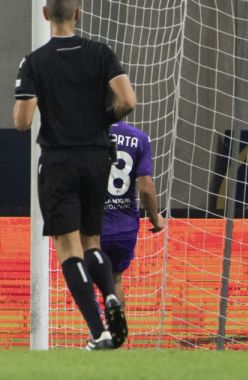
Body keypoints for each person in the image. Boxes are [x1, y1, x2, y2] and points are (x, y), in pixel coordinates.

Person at [13, 0, 136, 350]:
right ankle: (111, 295)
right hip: (97, 158)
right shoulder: (101, 53)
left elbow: (22, 122)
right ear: (78, 13)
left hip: (59, 162)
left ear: (45, 14)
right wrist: (99, 119)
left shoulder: (35, 62)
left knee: (68, 250)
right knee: (91, 242)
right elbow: (128, 101)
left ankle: (99, 332)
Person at [102, 121, 165, 306]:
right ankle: (116, 332)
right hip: (125, 227)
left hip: (93, 226)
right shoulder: (139, 137)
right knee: (115, 281)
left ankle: (96, 331)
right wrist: (155, 219)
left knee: (86, 279)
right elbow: (145, 188)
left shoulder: (87, 134)